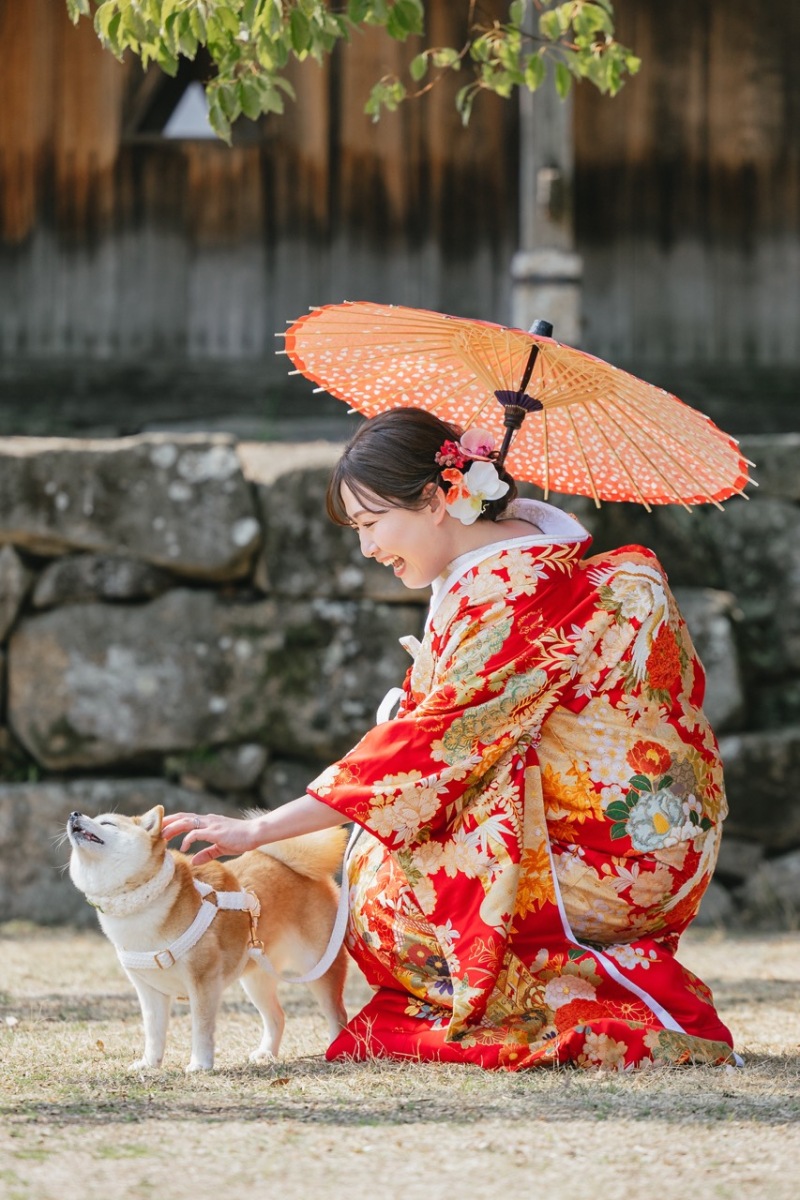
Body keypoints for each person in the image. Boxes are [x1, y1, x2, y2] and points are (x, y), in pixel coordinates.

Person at [162, 407, 737, 1070]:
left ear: (438, 499)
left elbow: (426, 751)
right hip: (650, 833)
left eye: (373, 523)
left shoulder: (510, 595)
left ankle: (582, 985)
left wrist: (260, 832)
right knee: (384, 872)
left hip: (598, 858)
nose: (368, 547)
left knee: (387, 905)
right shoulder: (526, 570)